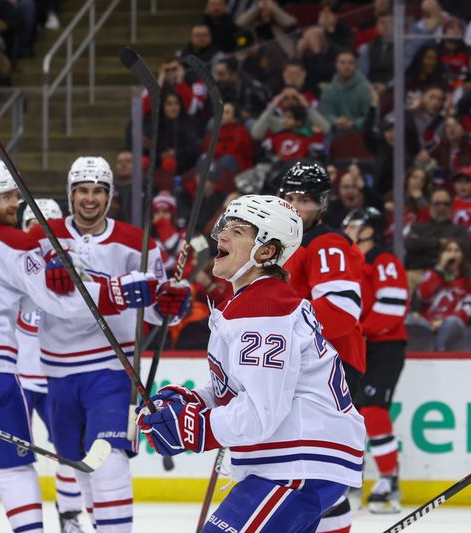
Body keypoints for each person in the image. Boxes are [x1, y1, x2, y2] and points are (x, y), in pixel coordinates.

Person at [0, 159, 156, 533]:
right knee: (13, 469)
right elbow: (59, 301)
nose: (15, 204)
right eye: (6, 197)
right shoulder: (12, 242)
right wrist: (118, 292)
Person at [136, 194, 365, 532]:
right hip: (293, 461)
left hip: (296, 462)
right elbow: (242, 390)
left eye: (239, 231)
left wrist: (196, 428)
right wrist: (194, 401)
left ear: (267, 251)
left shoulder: (262, 306)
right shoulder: (252, 302)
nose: (223, 235)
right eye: (225, 227)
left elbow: (261, 412)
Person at [28, 156, 191, 532]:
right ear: (70, 195)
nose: (90, 198)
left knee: (110, 457)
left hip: (112, 366)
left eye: (99, 191)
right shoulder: (42, 237)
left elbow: (156, 309)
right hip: (58, 369)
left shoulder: (138, 242)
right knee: (76, 461)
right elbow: (29, 289)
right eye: (83, 190)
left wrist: (170, 307)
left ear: (110, 196)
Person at [0, 197, 86, 533]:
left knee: (69, 453)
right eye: (33, 229)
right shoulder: (8, 261)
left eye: (47, 230)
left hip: (55, 377)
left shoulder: (70, 265)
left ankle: (69, 517)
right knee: (1, 451)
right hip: (17, 378)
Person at [278, 160, 366, 533]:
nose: (298, 207)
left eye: (307, 200)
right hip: (305, 367)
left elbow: (342, 312)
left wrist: (282, 339)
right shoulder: (282, 244)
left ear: (323, 203)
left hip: (332, 369)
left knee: (315, 473)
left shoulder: (328, 243)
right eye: (291, 198)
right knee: (303, 471)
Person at [343, 207, 409, 514]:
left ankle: (387, 481)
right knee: (350, 414)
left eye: (355, 223)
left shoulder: (383, 261)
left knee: (373, 410)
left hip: (384, 347)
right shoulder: (352, 261)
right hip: (361, 345)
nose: (349, 227)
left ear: (370, 229)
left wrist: (360, 332)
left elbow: (393, 307)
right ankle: (350, 479)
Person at [407, 238, 471, 351]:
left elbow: (468, 309)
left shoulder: (470, 282)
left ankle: (439, 352)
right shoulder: (432, 274)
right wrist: (440, 268)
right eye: (448, 251)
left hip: (453, 324)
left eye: (456, 251)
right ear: (442, 255)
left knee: (452, 322)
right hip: (429, 324)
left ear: (463, 256)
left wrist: (442, 322)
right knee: (409, 319)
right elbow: (423, 295)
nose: (452, 254)